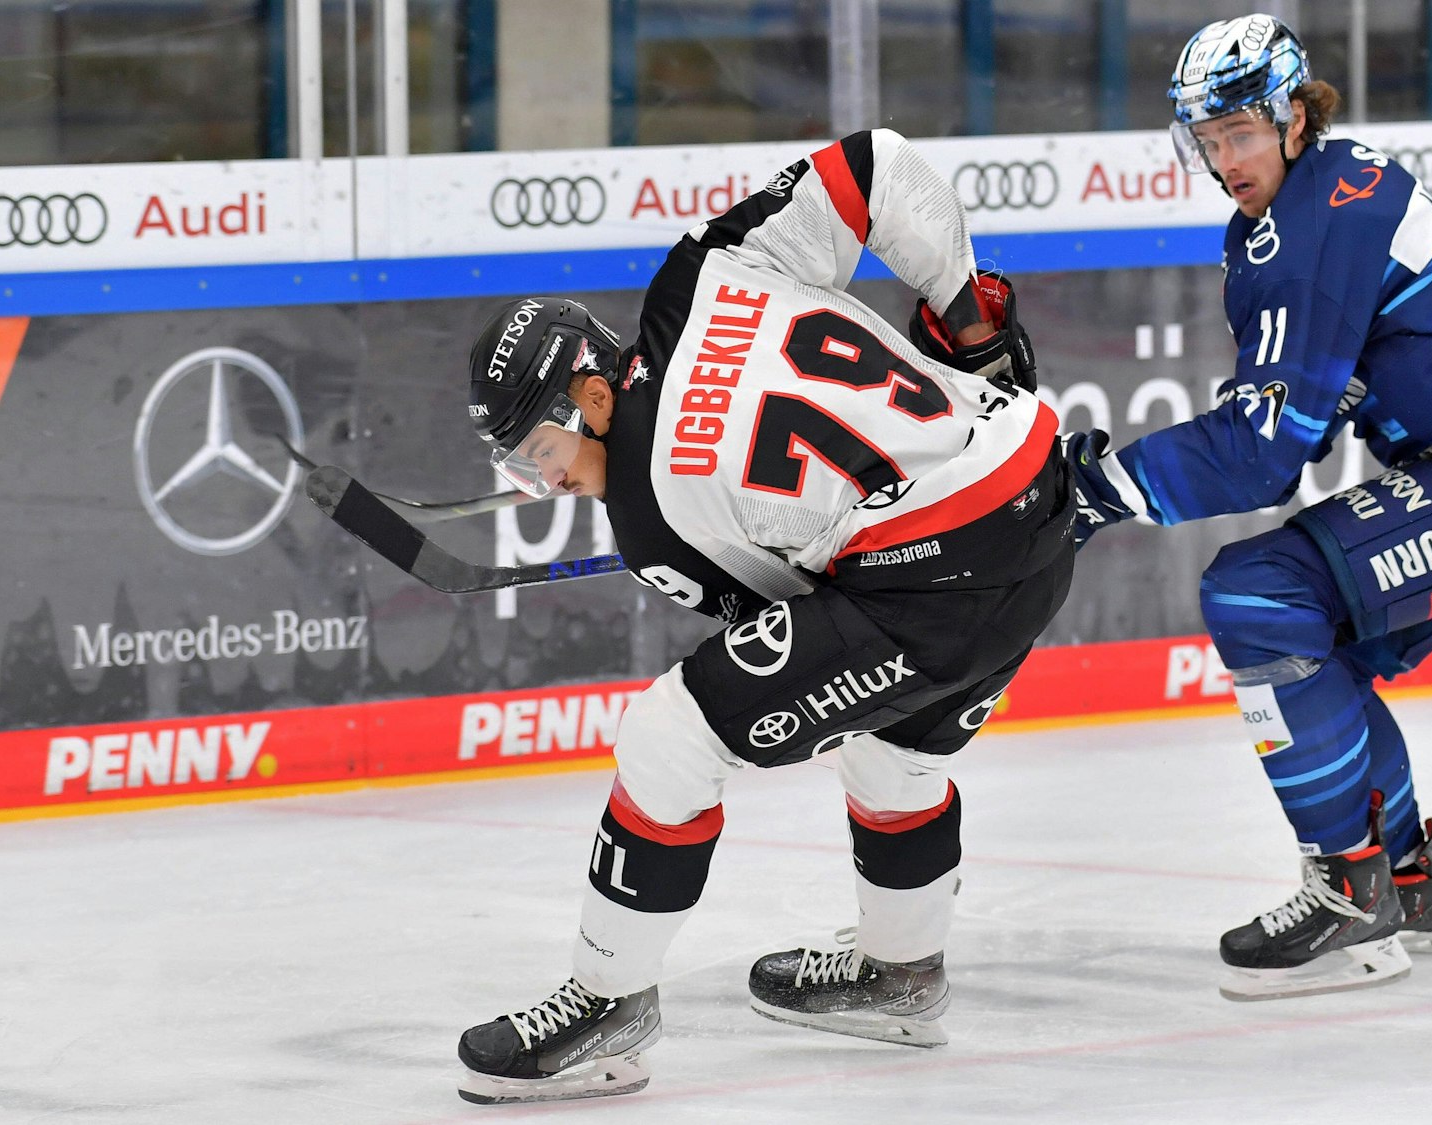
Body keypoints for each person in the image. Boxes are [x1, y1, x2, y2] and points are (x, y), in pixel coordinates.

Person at [450, 129, 1075, 1103]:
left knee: (667, 738)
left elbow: (798, 613)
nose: (546, 483)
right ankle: (900, 974)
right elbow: (874, 166)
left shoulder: (653, 517)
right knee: (891, 749)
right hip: (1036, 495)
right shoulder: (709, 273)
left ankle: (606, 1000)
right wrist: (972, 325)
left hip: (943, 574)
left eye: (537, 452)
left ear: (586, 391)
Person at [1065, 14, 1432, 1002]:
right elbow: (1296, 429)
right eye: (1205, 139)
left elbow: (1262, 455)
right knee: (1321, 664)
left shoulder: (1312, 222)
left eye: (1237, 131)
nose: (1221, 157)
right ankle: (1406, 883)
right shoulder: (1317, 192)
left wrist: (1093, 490)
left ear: (1289, 117)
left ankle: (1348, 895)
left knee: (1257, 596)